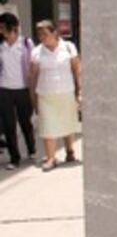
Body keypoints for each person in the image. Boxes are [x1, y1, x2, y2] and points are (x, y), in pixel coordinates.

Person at [29, 20, 81, 171]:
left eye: (45, 34)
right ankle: (51, 158)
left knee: (67, 123)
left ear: (54, 33)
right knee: (48, 126)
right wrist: (33, 99)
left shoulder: (68, 48)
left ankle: (70, 151)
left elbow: (77, 70)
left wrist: (80, 91)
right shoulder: (37, 52)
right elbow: (32, 77)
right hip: (45, 95)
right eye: (39, 34)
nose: (42, 37)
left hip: (66, 92)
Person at [0, 13, 36, 169]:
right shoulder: (1, 45)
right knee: (9, 125)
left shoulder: (26, 43)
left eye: (3, 27)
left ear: (13, 27)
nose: (1, 31)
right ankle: (14, 157)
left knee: (25, 122)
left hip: (23, 89)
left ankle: (31, 149)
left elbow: (34, 65)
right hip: (4, 89)